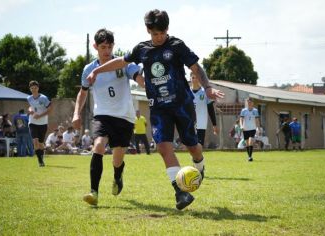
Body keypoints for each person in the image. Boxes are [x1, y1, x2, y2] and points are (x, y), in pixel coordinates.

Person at [85, 10, 224, 210]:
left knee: (192, 146)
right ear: (148, 31)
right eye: (154, 34)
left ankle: (200, 163)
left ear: (167, 29)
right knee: (163, 147)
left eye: (162, 33)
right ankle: (180, 192)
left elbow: (196, 68)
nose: (159, 37)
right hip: (158, 108)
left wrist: (208, 87)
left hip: (182, 105)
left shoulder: (177, 46)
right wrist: (96, 70)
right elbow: (122, 62)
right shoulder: (142, 49)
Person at [72, 28, 144, 206]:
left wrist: (147, 83)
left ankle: (118, 176)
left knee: (117, 158)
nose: (107, 51)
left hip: (125, 117)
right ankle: (93, 192)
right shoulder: (89, 69)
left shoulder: (122, 63)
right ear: (95, 46)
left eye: (110, 47)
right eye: (103, 47)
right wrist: (76, 113)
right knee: (98, 146)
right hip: (102, 115)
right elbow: (83, 93)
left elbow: (139, 78)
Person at [27, 80, 52, 167]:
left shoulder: (43, 98)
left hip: (43, 123)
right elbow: (30, 107)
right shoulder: (29, 98)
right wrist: (30, 111)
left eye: (35, 88)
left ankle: (41, 157)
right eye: (32, 88)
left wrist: (40, 115)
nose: (34, 89)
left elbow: (50, 109)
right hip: (32, 122)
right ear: (30, 89)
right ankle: (40, 161)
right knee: (35, 141)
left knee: (41, 144)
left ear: (38, 88)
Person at [190, 72, 218, 146]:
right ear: (190, 79)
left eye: (196, 78)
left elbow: (210, 109)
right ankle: (197, 157)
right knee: (191, 143)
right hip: (190, 122)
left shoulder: (205, 92)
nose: (195, 80)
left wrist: (214, 125)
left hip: (201, 122)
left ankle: (198, 157)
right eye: (193, 78)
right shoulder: (187, 93)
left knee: (199, 143)